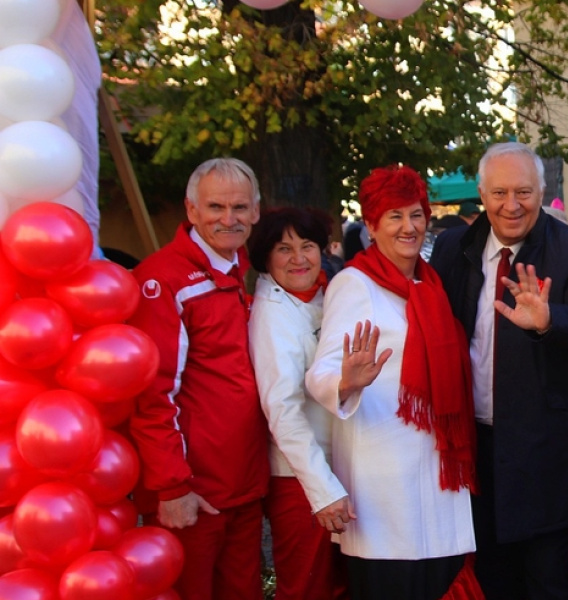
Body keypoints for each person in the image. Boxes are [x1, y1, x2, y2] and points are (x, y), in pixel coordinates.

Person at [430, 142, 568, 599]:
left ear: (542, 191)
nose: (511, 205)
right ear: (481, 192)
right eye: (499, 193)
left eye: (523, 192)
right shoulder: (455, 246)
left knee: (547, 582)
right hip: (475, 449)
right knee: (491, 579)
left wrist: (550, 319)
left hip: (543, 452)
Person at [305, 166, 479, 599]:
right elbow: (319, 375)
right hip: (384, 481)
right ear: (371, 225)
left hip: (437, 470)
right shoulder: (354, 284)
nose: (409, 226)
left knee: (440, 581)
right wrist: (347, 382)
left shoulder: (429, 282)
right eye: (395, 216)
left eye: (416, 214)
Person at [128, 157, 269, 600]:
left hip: (242, 486)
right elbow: (152, 392)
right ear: (191, 211)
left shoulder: (240, 271)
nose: (229, 219)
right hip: (194, 494)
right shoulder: (163, 279)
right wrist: (173, 486)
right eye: (216, 208)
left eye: (240, 208)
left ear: (256, 212)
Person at [246, 208, 348, 600]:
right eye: (283, 249)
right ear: (266, 259)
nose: (298, 258)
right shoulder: (272, 316)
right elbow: (283, 411)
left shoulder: (326, 294)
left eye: (307, 246)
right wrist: (323, 491)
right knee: (307, 586)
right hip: (300, 479)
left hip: (336, 468)